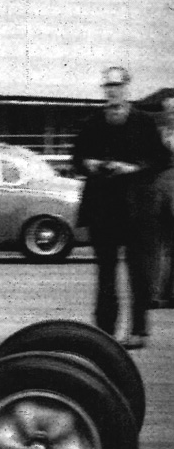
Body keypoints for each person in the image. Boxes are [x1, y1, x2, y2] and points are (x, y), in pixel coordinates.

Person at [71, 67, 168, 350]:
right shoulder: (92, 122)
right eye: (108, 86)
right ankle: (105, 333)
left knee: (138, 272)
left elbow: (162, 159)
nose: (112, 91)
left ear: (127, 88)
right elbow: (77, 157)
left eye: (117, 86)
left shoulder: (144, 122)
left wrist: (132, 168)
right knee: (105, 274)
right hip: (103, 209)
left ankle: (138, 330)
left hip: (137, 209)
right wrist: (90, 164)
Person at [150, 97, 174, 309]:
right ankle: (155, 294)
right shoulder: (158, 133)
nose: (172, 114)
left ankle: (169, 293)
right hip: (159, 194)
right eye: (169, 110)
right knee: (157, 247)